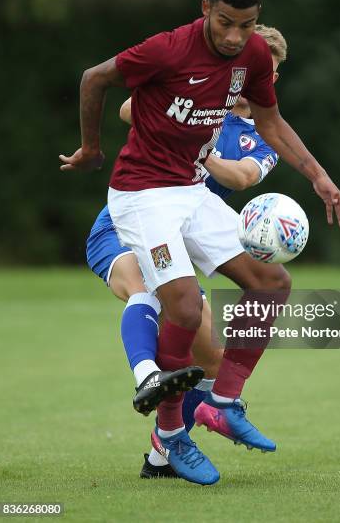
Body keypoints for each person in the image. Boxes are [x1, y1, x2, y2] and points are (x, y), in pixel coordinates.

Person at [60, 0, 340, 486]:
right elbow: (95, 79)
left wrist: (321, 178)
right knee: (184, 307)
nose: (235, 36)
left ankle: (225, 401)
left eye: (246, 25)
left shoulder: (254, 57)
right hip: (142, 195)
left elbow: (271, 123)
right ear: (205, 10)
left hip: (190, 192)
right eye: (225, 23)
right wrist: (91, 148)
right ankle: (169, 436)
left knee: (272, 283)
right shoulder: (167, 49)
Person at [86, 23, 285, 479]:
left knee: (210, 354)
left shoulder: (259, 136)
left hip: (181, 231)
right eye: (254, 70)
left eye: (268, 74)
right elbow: (125, 108)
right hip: (125, 224)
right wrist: (185, 118)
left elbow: (242, 177)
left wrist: (202, 149)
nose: (257, 80)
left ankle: (163, 452)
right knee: (150, 294)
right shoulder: (204, 96)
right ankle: (147, 377)